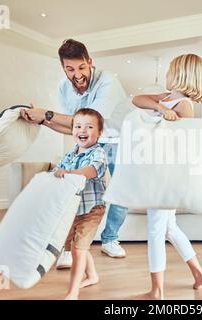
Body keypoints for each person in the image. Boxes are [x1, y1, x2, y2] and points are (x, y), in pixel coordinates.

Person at [20, 39, 133, 264]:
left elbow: (90, 120)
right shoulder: (64, 87)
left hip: (120, 139)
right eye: (70, 69)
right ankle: (70, 246)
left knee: (120, 190)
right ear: (63, 68)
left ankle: (110, 239)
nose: (77, 75)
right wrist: (42, 120)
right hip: (90, 141)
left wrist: (47, 114)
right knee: (75, 188)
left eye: (81, 67)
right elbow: (76, 127)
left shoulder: (108, 82)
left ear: (90, 62)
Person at [131, 54, 202, 300]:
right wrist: (160, 108)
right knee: (169, 228)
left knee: (155, 229)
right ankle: (199, 275)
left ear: (181, 75)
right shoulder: (166, 99)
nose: (166, 73)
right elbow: (137, 99)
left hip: (168, 177)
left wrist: (169, 120)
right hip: (159, 172)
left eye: (170, 69)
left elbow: (186, 147)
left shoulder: (184, 104)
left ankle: (157, 291)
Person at [53, 108, 106, 300]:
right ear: (72, 130)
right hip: (73, 208)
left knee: (78, 249)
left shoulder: (98, 153)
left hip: (92, 208)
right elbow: (57, 173)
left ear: (99, 132)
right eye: (78, 126)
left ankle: (72, 292)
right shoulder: (69, 155)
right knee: (76, 245)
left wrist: (68, 174)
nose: (82, 130)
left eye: (89, 126)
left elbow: (91, 171)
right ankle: (92, 275)